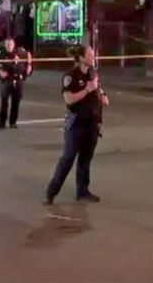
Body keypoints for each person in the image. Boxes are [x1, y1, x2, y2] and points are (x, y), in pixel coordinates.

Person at [44, 45, 107, 205]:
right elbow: (69, 99)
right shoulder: (70, 76)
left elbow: (98, 90)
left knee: (85, 160)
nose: (93, 56)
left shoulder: (93, 73)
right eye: (90, 54)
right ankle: (51, 193)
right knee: (68, 159)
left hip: (92, 123)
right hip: (76, 124)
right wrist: (87, 89)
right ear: (80, 58)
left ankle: (82, 191)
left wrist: (103, 96)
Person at [0, 37, 31, 130]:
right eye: (7, 44)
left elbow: (28, 56)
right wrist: (0, 72)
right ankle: (2, 122)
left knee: (16, 102)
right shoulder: (2, 54)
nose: (8, 46)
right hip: (8, 80)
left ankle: (13, 122)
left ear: (13, 45)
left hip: (18, 79)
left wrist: (29, 66)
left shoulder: (19, 53)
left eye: (10, 44)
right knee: (4, 99)